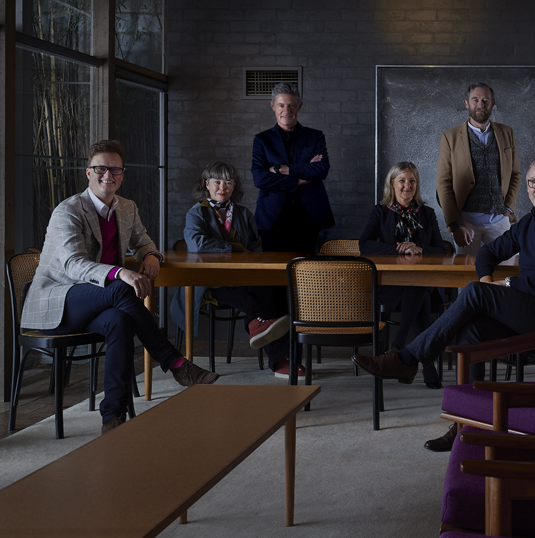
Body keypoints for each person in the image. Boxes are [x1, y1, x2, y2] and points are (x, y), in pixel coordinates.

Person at [353, 155, 535, 451]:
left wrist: (506, 283)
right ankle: (466, 423)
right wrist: (486, 277)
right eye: (534, 181)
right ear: (528, 186)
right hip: (530, 309)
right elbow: (486, 254)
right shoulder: (528, 223)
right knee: (473, 330)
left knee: (477, 294)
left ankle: (407, 358)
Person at [22, 140, 218, 435]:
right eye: (101, 168)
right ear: (88, 173)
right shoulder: (68, 211)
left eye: (115, 170)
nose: (108, 175)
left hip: (102, 302)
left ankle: (112, 419)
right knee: (121, 289)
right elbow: (74, 265)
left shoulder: (126, 207)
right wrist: (120, 273)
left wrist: (150, 255)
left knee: (120, 320)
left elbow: (143, 240)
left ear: (122, 175)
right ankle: (176, 363)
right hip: (60, 299)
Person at [169, 162, 294, 377]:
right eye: (217, 182)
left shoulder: (244, 214)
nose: (222, 187)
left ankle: (262, 331)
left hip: (243, 278)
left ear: (234, 186)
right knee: (260, 297)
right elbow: (197, 244)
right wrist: (235, 248)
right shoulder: (195, 213)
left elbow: (255, 250)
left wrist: (250, 261)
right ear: (206, 185)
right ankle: (274, 353)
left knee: (277, 289)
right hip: (209, 283)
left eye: (228, 182)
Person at [359, 161, 446, 364]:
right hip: (392, 284)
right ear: (392, 183)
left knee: (419, 286)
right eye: (402, 180)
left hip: (427, 283)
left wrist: (421, 249)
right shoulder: (380, 212)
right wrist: (400, 247)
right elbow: (365, 244)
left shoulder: (428, 213)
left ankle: (397, 345)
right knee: (418, 291)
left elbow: (441, 249)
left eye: (412, 181)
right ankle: (427, 365)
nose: (407, 185)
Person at [436, 83, 521, 257]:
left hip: (499, 220)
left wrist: (509, 208)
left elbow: (515, 173)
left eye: (485, 100)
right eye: (475, 100)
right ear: (467, 103)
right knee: (466, 279)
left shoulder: (507, 133)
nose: (480, 104)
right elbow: (443, 183)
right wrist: (455, 224)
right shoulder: (450, 137)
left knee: (505, 276)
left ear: (493, 103)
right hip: (466, 222)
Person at [252, 81, 335, 253]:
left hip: (308, 215)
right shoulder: (262, 140)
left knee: (306, 273)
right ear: (273, 106)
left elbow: (321, 170)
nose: (286, 110)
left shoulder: (315, 137)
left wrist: (280, 169)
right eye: (281, 105)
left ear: (299, 106)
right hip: (272, 217)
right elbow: (259, 178)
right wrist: (300, 178)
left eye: (291, 105)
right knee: (273, 273)